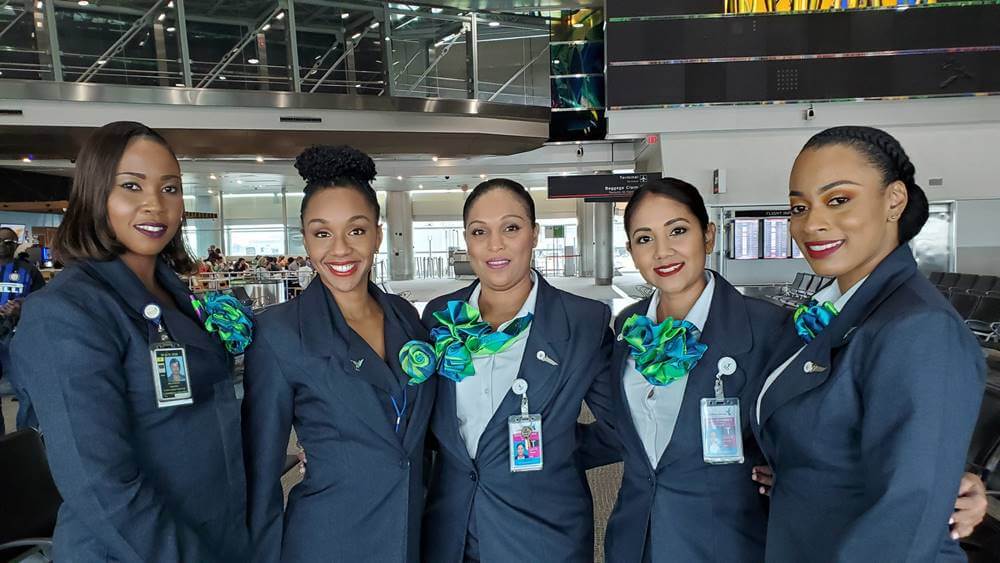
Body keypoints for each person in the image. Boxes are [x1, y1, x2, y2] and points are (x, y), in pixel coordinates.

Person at [10, 121, 250, 562]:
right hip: (140, 550)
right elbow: (99, 484)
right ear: (96, 195)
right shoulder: (67, 313)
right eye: (131, 186)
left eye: (170, 188)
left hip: (215, 529)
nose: (154, 205)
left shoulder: (172, 294)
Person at [752, 126, 986, 561]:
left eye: (838, 199)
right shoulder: (837, 313)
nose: (813, 223)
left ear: (894, 200)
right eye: (799, 207)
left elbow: (903, 521)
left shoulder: (918, 328)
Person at [242, 145, 436, 563]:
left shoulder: (404, 316)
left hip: (409, 536)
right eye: (322, 233)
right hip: (328, 540)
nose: (341, 250)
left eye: (357, 230)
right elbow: (261, 474)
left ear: (379, 234)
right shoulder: (278, 333)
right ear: (305, 238)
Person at [420, 178, 614, 563]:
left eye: (511, 228)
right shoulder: (441, 317)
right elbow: (425, 418)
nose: (495, 245)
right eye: (480, 232)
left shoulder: (582, 322)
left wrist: (556, 447)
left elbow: (621, 427)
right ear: (467, 240)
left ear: (534, 234)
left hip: (541, 533)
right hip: (451, 531)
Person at [0, 226, 46, 433]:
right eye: (0, 240)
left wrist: (22, 305)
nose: (3, 246)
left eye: (9, 242)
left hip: (16, 337)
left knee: (27, 391)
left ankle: (26, 440)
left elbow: (43, 300)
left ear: (16, 245)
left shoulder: (28, 270)